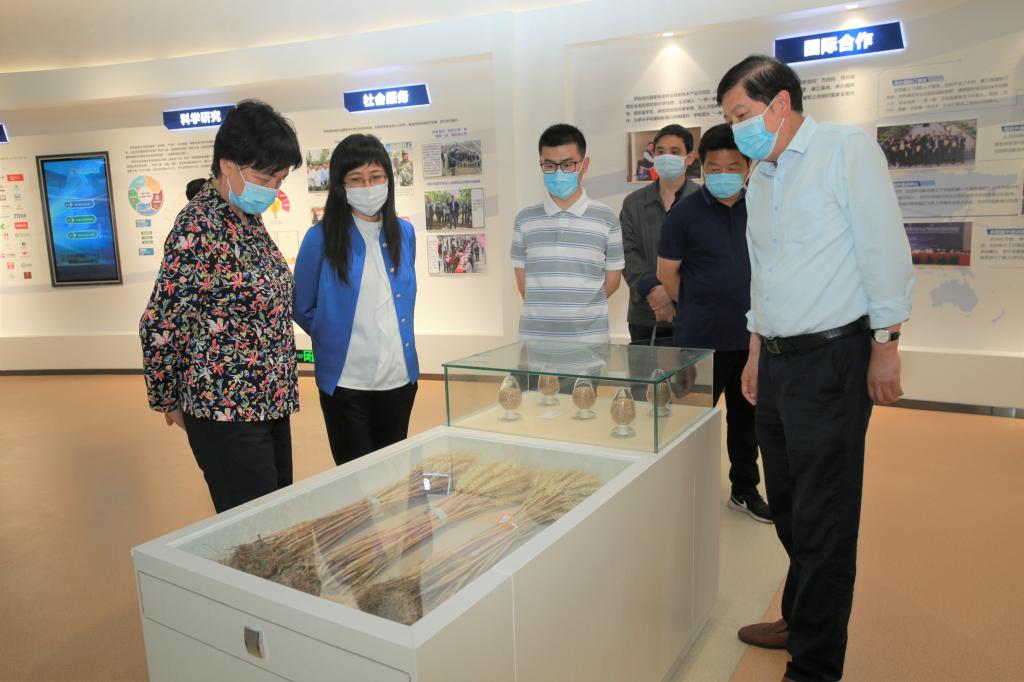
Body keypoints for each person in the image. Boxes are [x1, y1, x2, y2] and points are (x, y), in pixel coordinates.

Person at [717, 55, 915, 682]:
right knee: (788, 504)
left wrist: (886, 344)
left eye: (742, 114)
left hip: (833, 359)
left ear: (779, 104)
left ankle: (815, 665)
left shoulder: (844, 151)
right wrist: (755, 351)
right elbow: (764, 272)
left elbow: (884, 249)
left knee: (825, 519)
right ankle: (801, 614)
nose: (737, 129)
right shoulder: (763, 176)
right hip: (776, 361)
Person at [139, 99, 302, 513]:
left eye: (280, 179)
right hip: (226, 408)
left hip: (267, 400)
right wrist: (166, 397)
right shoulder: (199, 227)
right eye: (265, 177)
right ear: (228, 164)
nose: (273, 189)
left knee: (277, 517)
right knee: (255, 529)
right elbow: (160, 323)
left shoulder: (245, 218)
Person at [656, 124, 768, 523]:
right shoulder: (684, 213)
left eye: (732, 167)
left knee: (746, 423)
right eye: (714, 168)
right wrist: (696, 304)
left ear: (748, 166)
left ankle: (744, 490)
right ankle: (688, 492)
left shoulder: (762, 207)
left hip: (752, 341)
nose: (723, 175)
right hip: (699, 342)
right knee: (691, 421)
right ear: (701, 167)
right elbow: (667, 273)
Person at [293, 133, 419, 467]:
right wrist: (333, 336)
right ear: (341, 185)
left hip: (398, 379)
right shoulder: (320, 238)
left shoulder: (404, 233)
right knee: (356, 478)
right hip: (346, 383)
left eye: (375, 177)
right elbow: (302, 306)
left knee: (392, 474)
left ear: (388, 180)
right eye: (356, 179)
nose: (368, 186)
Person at [511, 123, 624, 343]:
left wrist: (580, 310)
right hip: (536, 342)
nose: (558, 173)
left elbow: (612, 282)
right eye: (549, 165)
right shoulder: (524, 219)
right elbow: (524, 286)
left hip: (590, 342)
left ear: (584, 164)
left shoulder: (607, 218)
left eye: (567, 164)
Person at [620, 123, 700, 345]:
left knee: (695, 369)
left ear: (689, 158)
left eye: (675, 152)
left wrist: (672, 292)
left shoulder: (704, 201)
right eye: (661, 151)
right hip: (645, 314)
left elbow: (708, 257)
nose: (666, 157)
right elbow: (626, 252)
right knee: (643, 368)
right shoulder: (633, 203)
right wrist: (653, 289)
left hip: (693, 313)